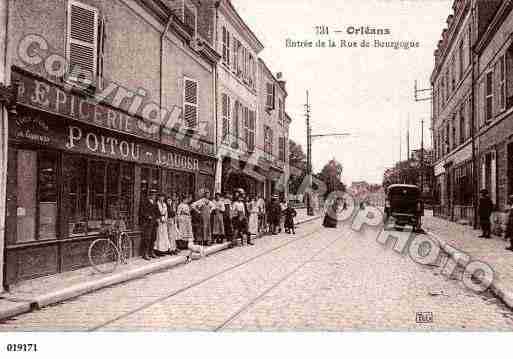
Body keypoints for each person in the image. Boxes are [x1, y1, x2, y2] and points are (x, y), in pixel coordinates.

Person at [177, 194, 203, 261]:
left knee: (188, 232)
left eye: (186, 199)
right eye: (185, 199)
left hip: (187, 219)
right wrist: (180, 220)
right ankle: (182, 245)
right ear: (183, 199)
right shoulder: (180, 205)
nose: (186, 200)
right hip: (183, 219)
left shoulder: (187, 205)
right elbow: (178, 214)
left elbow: (190, 211)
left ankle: (187, 245)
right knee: (182, 232)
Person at [139, 191, 159, 260]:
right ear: (150, 196)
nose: (154, 197)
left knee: (153, 237)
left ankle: (151, 252)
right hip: (147, 223)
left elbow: (158, 212)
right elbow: (142, 212)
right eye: (153, 195)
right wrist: (148, 216)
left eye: (155, 195)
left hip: (154, 223)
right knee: (147, 238)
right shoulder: (145, 203)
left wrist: (157, 218)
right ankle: (145, 253)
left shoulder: (155, 203)